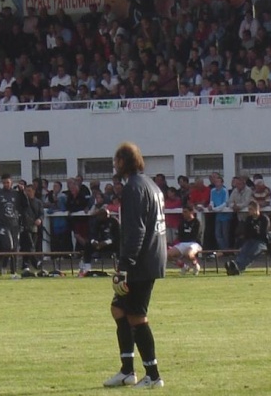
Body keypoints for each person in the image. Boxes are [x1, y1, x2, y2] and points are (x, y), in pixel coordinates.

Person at [105, 142, 166, 389]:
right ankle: (127, 371)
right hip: (151, 257)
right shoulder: (150, 184)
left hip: (141, 261)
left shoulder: (132, 188)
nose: (114, 165)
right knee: (118, 309)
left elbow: (137, 230)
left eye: (116, 160)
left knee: (136, 316)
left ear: (123, 161)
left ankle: (153, 375)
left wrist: (124, 267)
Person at [225, 200, 270, 275]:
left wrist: (254, 232)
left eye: (251, 209)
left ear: (256, 209)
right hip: (251, 240)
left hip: (262, 242)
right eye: (249, 209)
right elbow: (247, 233)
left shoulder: (264, 219)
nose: (249, 211)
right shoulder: (249, 219)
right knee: (244, 250)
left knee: (252, 252)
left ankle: (238, 268)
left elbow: (263, 233)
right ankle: (234, 266)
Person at [0, 173, 23, 278]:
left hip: (14, 224)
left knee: (14, 248)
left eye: (8, 182)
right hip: (3, 224)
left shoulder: (16, 193)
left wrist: (22, 192)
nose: (6, 184)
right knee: (7, 246)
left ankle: (13, 271)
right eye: (4, 182)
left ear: (11, 182)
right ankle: (4, 265)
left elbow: (24, 205)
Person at [78, 208, 120, 276]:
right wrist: (94, 241)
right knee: (88, 245)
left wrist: (106, 242)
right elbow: (92, 234)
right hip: (99, 244)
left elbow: (117, 237)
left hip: (111, 244)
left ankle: (120, 268)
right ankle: (87, 269)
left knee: (120, 247)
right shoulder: (97, 221)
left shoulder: (114, 221)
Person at [167, 204, 202, 275]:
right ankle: (183, 266)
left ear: (191, 212)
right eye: (183, 212)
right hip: (183, 243)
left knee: (188, 254)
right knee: (168, 254)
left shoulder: (197, 222)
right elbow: (180, 236)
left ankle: (195, 264)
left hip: (194, 243)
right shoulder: (182, 223)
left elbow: (196, 236)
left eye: (185, 212)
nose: (183, 214)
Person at [19, 184, 44, 276]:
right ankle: (35, 262)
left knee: (29, 245)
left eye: (29, 190)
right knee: (29, 245)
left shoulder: (38, 202)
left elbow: (41, 213)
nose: (27, 193)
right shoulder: (24, 202)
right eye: (26, 191)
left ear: (33, 191)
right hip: (25, 226)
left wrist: (39, 219)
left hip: (34, 227)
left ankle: (25, 264)